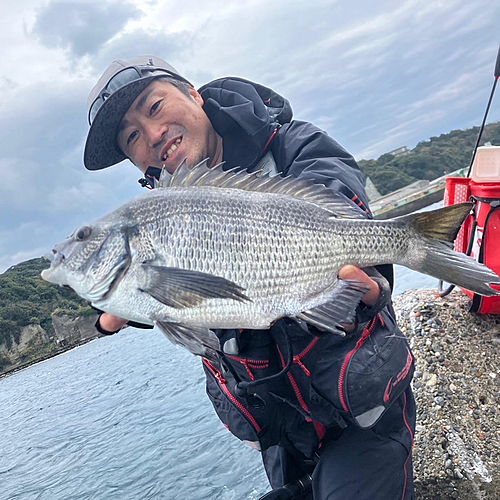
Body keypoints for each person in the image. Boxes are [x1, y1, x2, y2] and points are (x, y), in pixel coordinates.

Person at [84, 56, 416, 500]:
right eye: (132, 136)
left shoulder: (294, 146)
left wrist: (362, 286)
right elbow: (172, 292)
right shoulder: (160, 214)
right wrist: (117, 303)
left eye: (155, 107)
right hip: (280, 433)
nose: (153, 133)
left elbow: (346, 220)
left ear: (193, 94)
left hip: (361, 411)